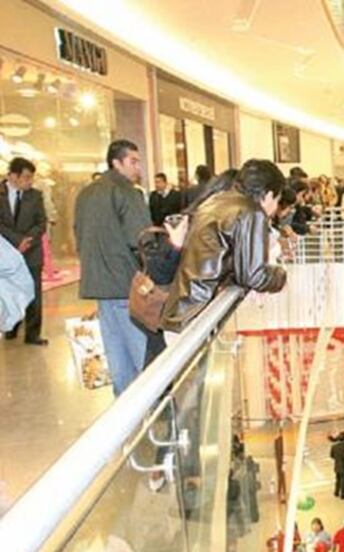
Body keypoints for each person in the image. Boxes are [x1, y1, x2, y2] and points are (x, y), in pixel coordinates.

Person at [163, 159, 287, 335]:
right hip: (200, 317)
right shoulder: (251, 211)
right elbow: (254, 276)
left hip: (182, 311)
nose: (275, 208)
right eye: (277, 200)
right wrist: (280, 275)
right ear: (268, 195)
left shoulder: (216, 201)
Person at [74, 140, 152, 395]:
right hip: (127, 283)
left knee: (117, 356)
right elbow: (141, 239)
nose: (138, 167)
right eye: (133, 161)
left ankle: (124, 411)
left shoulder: (86, 194)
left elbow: (79, 235)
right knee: (144, 357)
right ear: (116, 163)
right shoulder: (128, 193)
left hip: (99, 285)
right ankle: (153, 409)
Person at [1, 158, 48, 345]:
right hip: (6, 252)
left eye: (31, 178)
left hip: (31, 251)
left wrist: (27, 240)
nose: (30, 182)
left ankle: (33, 334)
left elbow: (41, 222)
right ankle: (11, 327)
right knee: (9, 291)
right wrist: (16, 241)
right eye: (26, 177)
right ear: (13, 176)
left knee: (34, 293)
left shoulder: (35, 196)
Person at [329, 432, 344, 500]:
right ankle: (343, 494)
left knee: (338, 480)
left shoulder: (334, 447)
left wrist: (337, 458)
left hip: (337, 466)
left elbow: (331, 456)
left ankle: (336, 492)